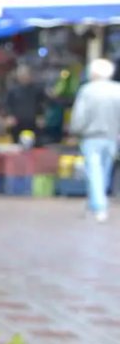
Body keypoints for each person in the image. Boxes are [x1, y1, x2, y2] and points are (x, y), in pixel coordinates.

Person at [68, 58, 120, 222]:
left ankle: (99, 206)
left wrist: (75, 130)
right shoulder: (117, 90)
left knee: (94, 171)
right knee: (103, 171)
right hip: (112, 137)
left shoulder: (87, 91)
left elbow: (79, 115)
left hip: (91, 137)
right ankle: (94, 204)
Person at [5, 65, 43, 143]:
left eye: (26, 75)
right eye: (22, 75)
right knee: (16, 144)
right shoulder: (13, 90)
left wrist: (41, 116)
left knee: (35, 144)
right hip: (17, 123)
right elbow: (8, 104)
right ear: (18, 77)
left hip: (33, 122)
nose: (25, 77)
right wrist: (9, 116)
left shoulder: (37, 90)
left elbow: (41, 104)